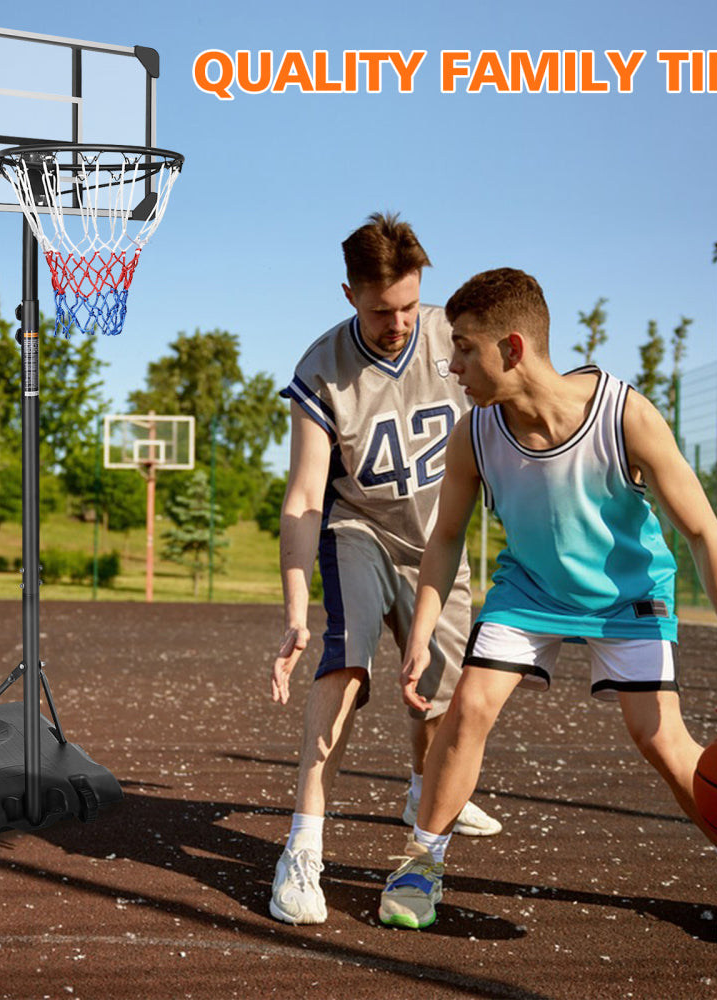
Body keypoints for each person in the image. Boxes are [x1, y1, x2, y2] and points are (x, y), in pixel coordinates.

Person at [377, 267, 717, 945]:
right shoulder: (474, 433)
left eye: (463, 348)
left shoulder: (624, 414)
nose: (451, 365)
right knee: (469, 707)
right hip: (530, 590)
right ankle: (421, 861)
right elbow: (447, 536)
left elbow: (703, 532)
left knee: (659, 738)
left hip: (627, 595)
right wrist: (423, 628)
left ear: (512, 348)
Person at [268, 213, 502, 926]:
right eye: (380, 311)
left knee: (440, 698)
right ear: (349, 294)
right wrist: (296, 609)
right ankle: (302, 848)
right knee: (345, 660)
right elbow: (305, 496)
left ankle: (423, 789)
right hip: (359, 529)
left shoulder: (454, 337)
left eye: (409, 306)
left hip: (439, 543)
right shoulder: (321, 368)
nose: (399, 324)